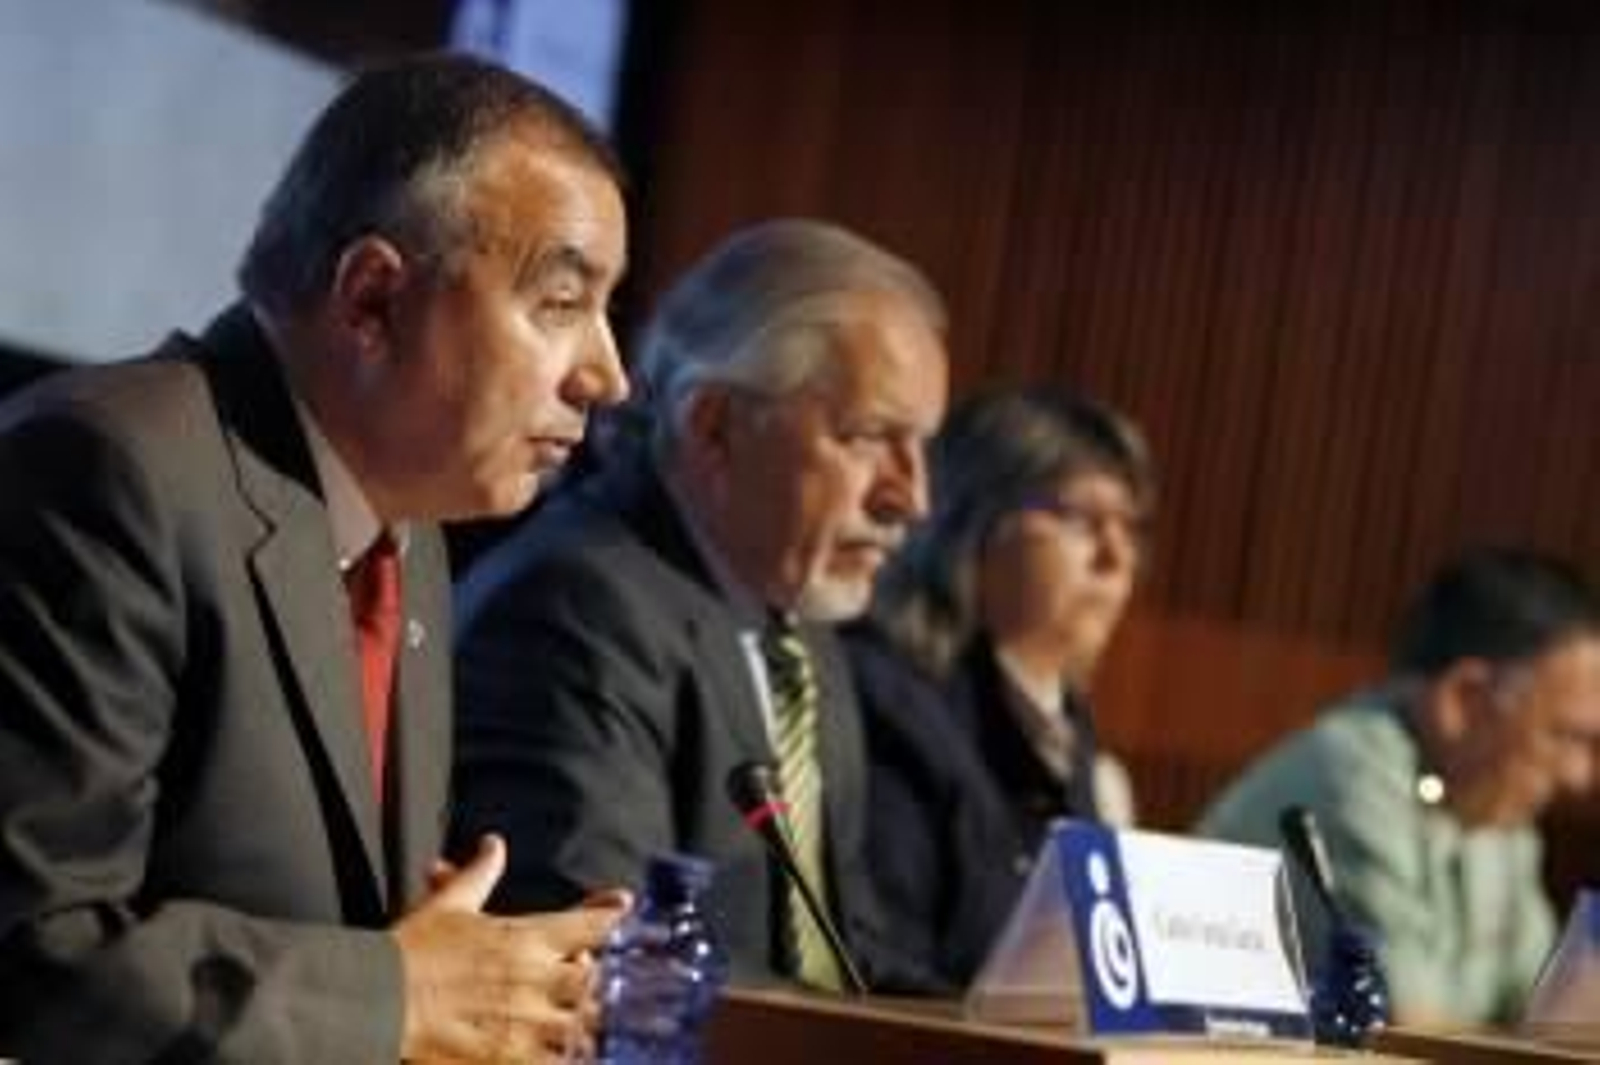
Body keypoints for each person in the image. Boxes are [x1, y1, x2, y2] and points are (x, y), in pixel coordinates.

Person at [0, 54, 633, 1064]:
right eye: (561, 303)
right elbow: (35, 956)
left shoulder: (407, 534)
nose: (609, 376)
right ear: (372, 300)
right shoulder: (107, 471)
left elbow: (356, 948)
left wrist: (491, 988)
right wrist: (401, 993)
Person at [452, 218, 950, 990]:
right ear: (714, 426)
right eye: (869, 436)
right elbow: (608, 954)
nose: (911, 498)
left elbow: (848, 956)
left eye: (920, 445)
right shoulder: (577, 607)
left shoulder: (804, 634)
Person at [1199, 548, 1600, 1026]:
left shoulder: (1494, 806)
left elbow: (1546, 1017)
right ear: (1465, 701)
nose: (1580, 776)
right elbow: (1410, 1030)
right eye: (1564, 736)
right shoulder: (1349, 777)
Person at [843, 386, 1156, 989]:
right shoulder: (887, 700)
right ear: (971, 521)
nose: (1117, 557)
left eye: (1129, 527)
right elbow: (886, 972)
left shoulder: (1072, 731)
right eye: (1082, 518)